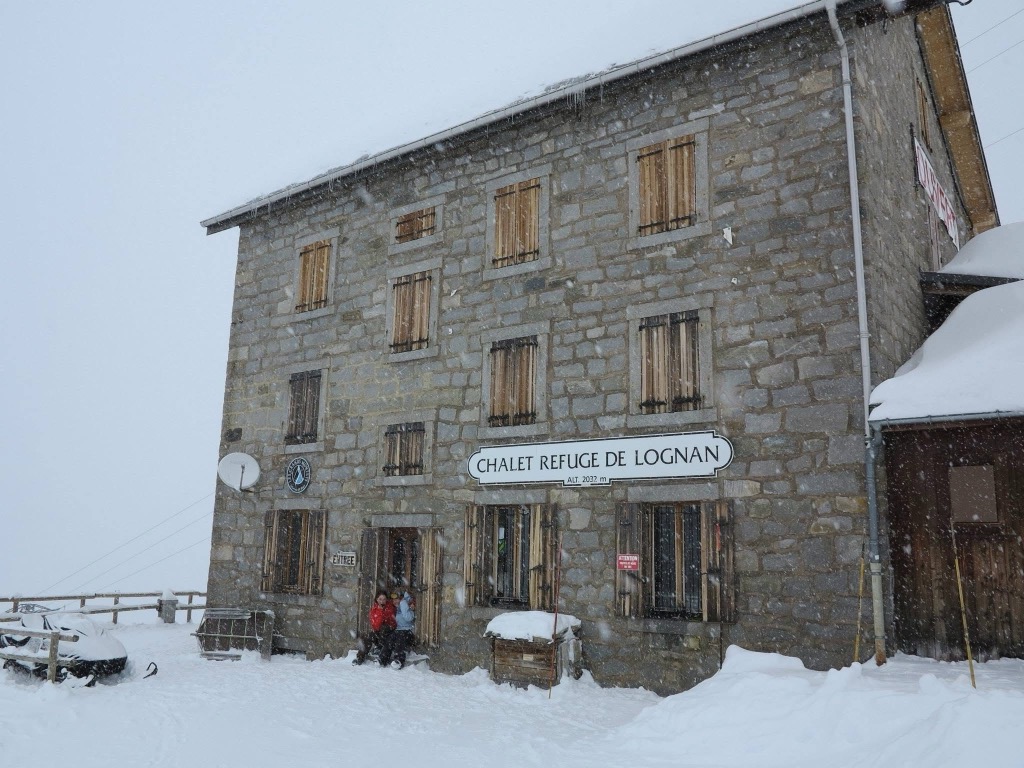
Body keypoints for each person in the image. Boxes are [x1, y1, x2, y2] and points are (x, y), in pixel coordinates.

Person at [353, 589, 396, 665]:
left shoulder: (390, 607)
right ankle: (360, 657)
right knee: (368, 636)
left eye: (384, 599)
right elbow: (375, 625)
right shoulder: (374, 610)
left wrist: (385, 615)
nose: (382, 601)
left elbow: (392, 622)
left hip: (389, 633)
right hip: (378, 632)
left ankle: (380, 648)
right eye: (380, 599)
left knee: (384, 628)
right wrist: (380, 611)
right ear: (377, 599)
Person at [389, 591, 416, 669]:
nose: (394, 601)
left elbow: (408, 618)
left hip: (409, 632)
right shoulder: (398, 608)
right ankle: (382, 658)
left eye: (396, 599)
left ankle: (399, 660)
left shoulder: (407, 606)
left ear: (401, 599)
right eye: (393, 600)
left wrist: (403, 603)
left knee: (400, 638)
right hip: (399, 630)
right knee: (390, 638)